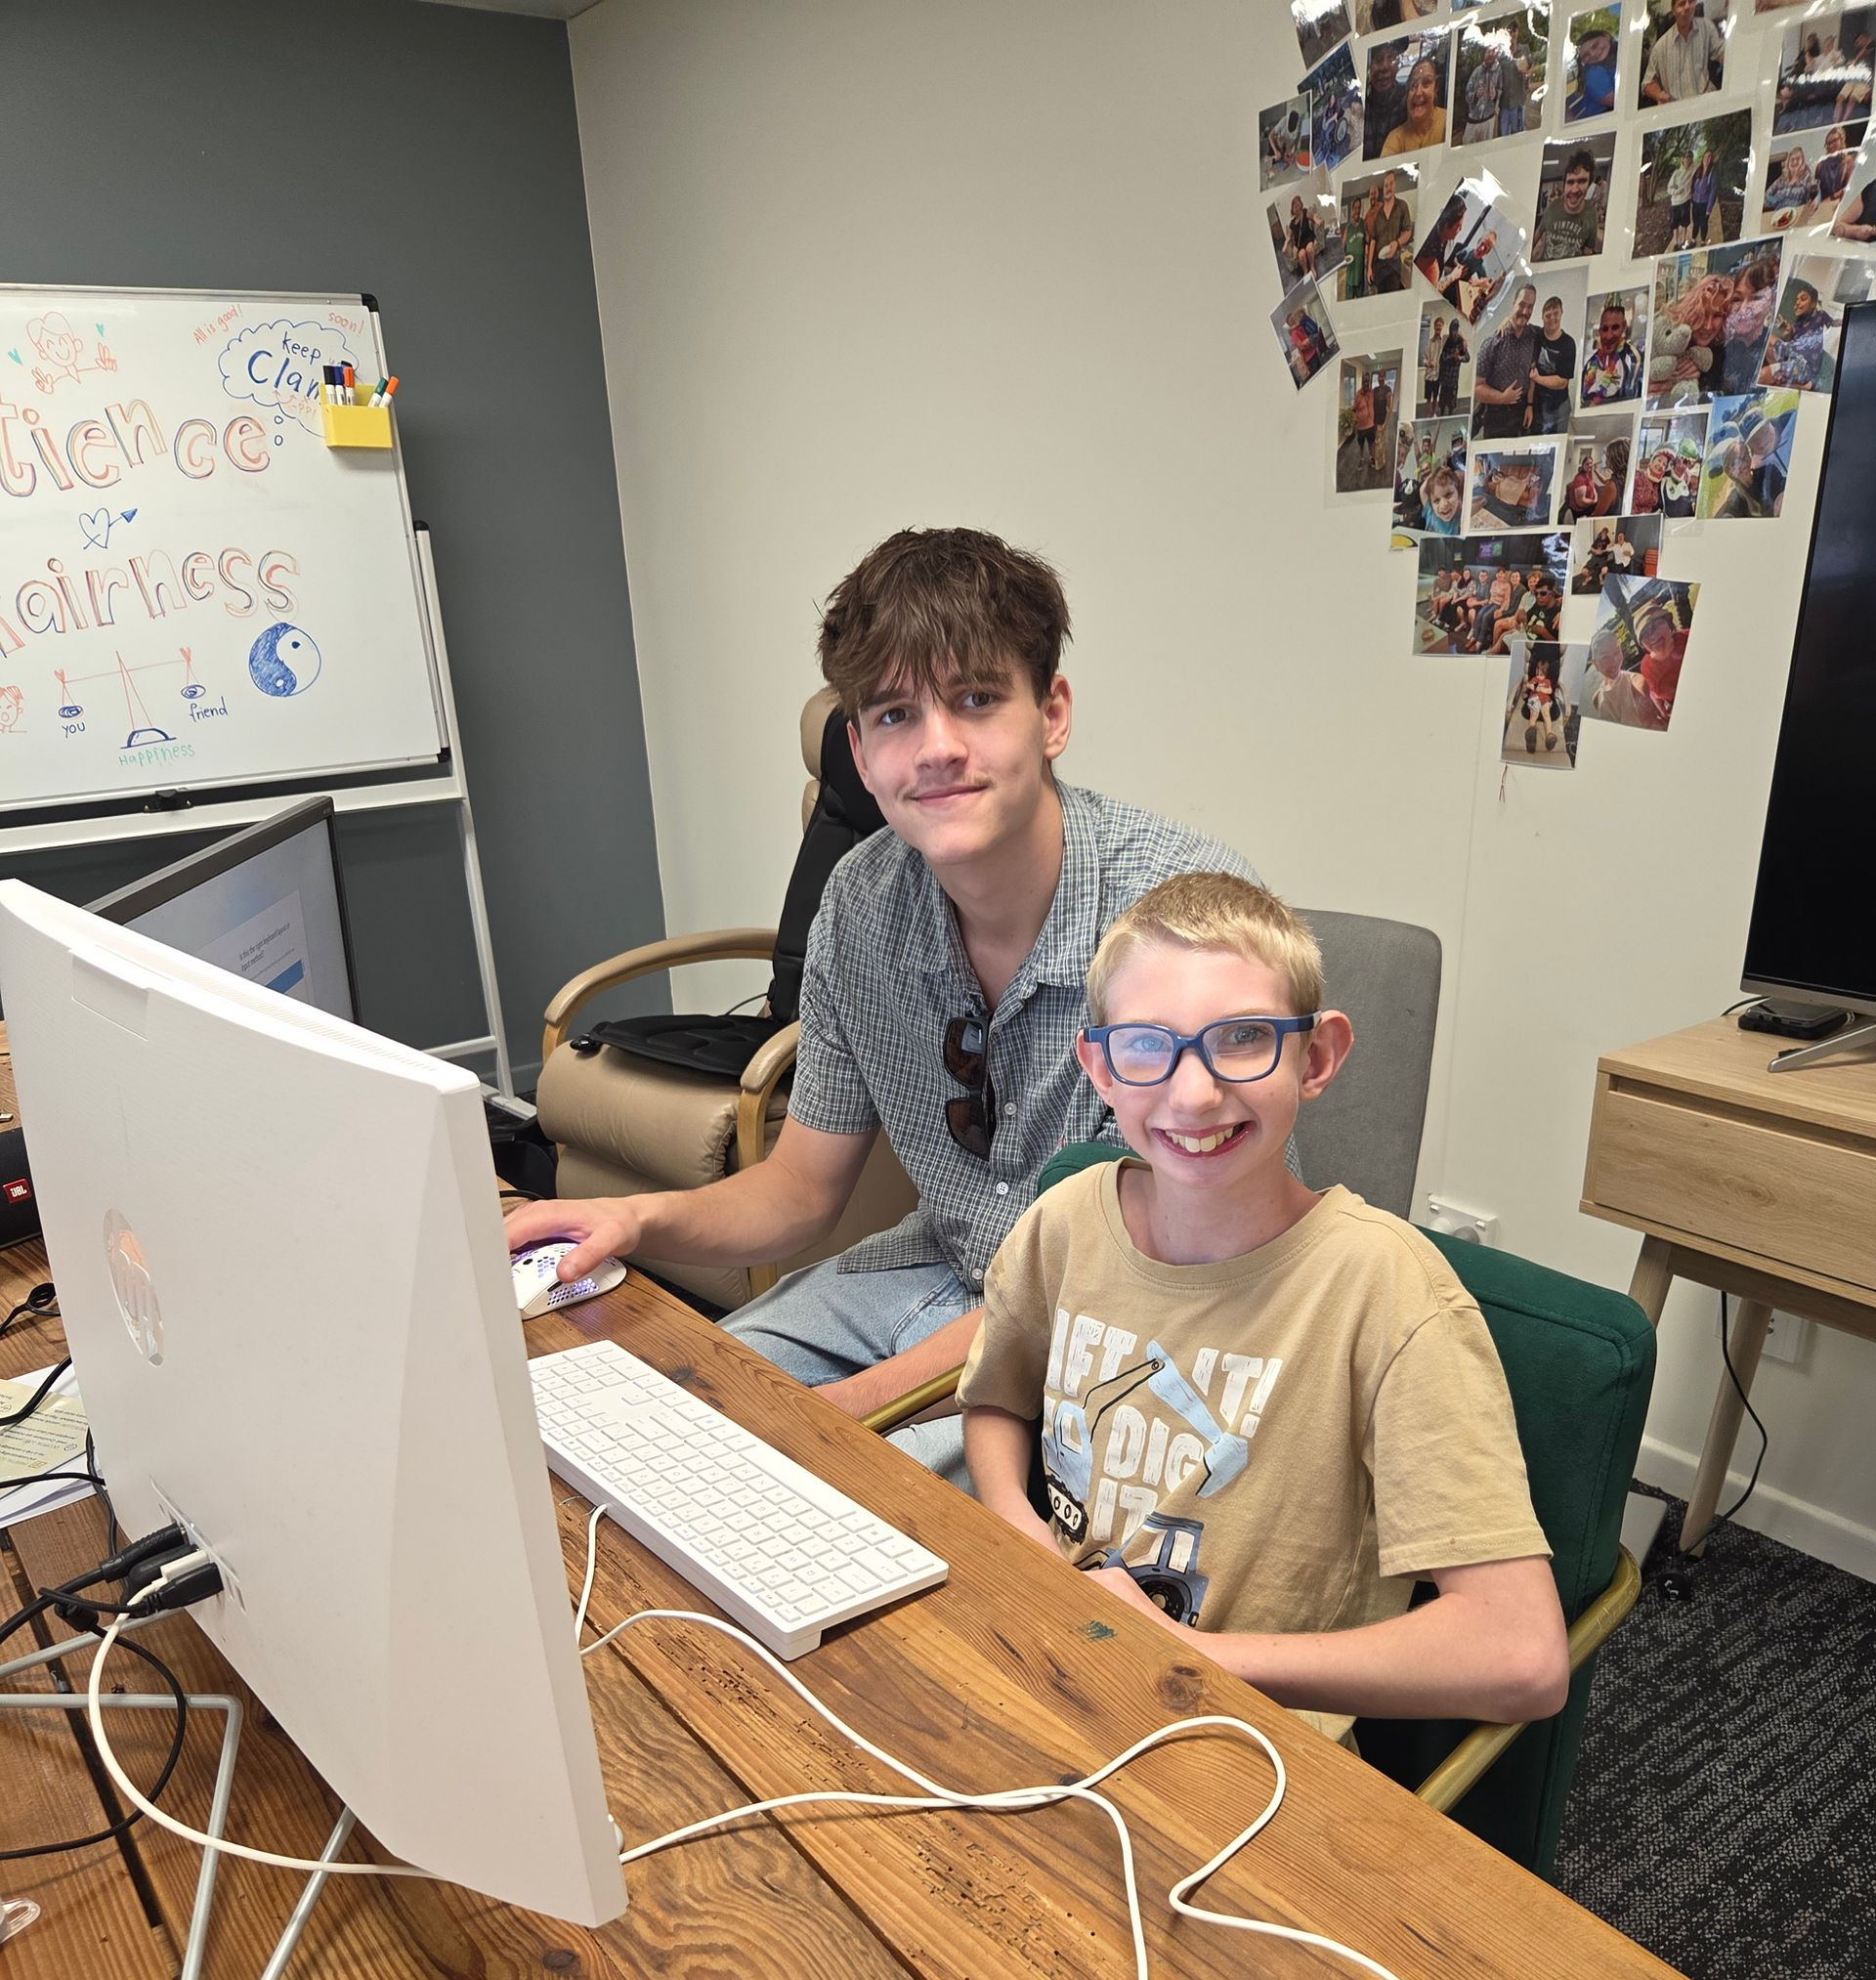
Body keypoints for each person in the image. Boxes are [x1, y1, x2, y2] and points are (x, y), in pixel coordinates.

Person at [504, 529, 1260, 1480]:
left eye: (977, 699)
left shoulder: (1183, 924)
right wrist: (639, 1222)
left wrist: (832, 1421)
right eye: (897, 714)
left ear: (1052, 713)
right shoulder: (861, 905)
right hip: (931, 1274)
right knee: (649, 1422)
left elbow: (1116, 1280)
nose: (938, 747)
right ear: (860, 754)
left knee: (801, 1486)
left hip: (1127, 1330)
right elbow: (799, 1191)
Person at [958, 874, 1567, 1744]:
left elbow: (1521, 1654)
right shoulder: (1065, 1224)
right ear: (1098, 1065)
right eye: (1145, 1045)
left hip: (1245, 1742)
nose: (1195, 1093)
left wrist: (1191, 1654)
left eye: (1242, 1039)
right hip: (1057, 1666)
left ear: (1315, 1058)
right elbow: (995, 1399)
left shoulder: (1388, 1296)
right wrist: (1018, 1535)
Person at [1471, 282, 1538, 438]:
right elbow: (1476, 387)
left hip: (1522, 416)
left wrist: (1529, 405)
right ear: (1513, 304)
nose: (1525, 311)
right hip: (1496, 418)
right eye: (1521, 304)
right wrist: (1502, 398)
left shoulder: (1533, 337)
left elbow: (1532, 374)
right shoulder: (1493, 343)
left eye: (1530, 306)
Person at [1641, 0, 1724, 107]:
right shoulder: (1660, 47)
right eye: (1682, 4)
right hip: (1678, 106)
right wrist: (1658, 94)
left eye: (1691, 1)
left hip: (1707, 99)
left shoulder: (1706, 27)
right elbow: (1647, 83)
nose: (1687, 7)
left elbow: (1721, 50)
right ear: (1674, 11)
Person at [1534, 150, 1604, 261]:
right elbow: (1536, 236)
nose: (1575, 189)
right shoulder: (1553, 207)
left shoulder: (1591, 214)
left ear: (1589, 184)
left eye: (1581, 181)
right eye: (1570, 182)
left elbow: (1588, 252)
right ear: (1564, 185)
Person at [1528, 293, 1577, 434]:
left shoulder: (1568, 343)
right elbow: (1518, 323)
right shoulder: (1536, 335)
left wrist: (1537, 378)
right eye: (1548, 315)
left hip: (1559, 407)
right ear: (1542, 317)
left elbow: (1562, 382)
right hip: (1538, 405)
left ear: (1561, 313)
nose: (1552, 318)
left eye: (1555, 313)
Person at [1580, 296, 1642, 405]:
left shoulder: (1633, 358)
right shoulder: (1590, 363)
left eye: (1615, 328)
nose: (1609, 336)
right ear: (1599, 331)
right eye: (1604, 329)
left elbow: (1633, 402)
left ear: (1623, 327)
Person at [1381, 54, 1447, 154]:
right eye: (1413, 85)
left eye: (1426, 83)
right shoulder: (1396, 138)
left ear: (1436, 89)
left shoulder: (1447, 120)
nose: (1418, 92)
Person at [1366, 170, 1414, 293]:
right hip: (1379, 268)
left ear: (1395, 186)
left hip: (1394, 266)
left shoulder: (1402, 206)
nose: (1388, 188)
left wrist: (1397, 243)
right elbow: (1373, 240)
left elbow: (1407, 231)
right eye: (1386, 185)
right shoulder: (1378, 214)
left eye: (1391, 184)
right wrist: (1369, 267)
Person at [1514, 654, 1563, 753]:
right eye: (1537, 673)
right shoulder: (1534, 679)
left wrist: (1542, 689)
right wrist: (1531, 686)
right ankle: (1531, 732)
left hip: (1545, 699)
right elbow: (1527, 684)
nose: (1538, 676)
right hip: (1534, 699)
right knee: (1534, 713)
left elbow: (1550, 691)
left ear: (1545, 674)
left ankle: (1549, 735)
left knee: (1546, 714)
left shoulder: (1547, 681)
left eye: (1541, 674)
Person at [1568, 24, 1617, 119]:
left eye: (1595, 45)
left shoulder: (1614, 59)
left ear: (1606, 36)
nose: (1593, 54)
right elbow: (1613, 101)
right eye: (1586, 55)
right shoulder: (1593, 72)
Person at [1765, 142, 1819, 226]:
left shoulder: (1806, 177)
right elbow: (1767, 194)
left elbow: (1817, 190)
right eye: (1792, 159)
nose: (1794, 162)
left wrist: (1816, 200)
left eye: (1798, 159)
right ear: (1788, 162)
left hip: (1798, 216)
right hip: (1779, 216)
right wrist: (1776, 202)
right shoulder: (1781, 179)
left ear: (1802, 161)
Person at [1462, 39, 1504, 144]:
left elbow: (1501, 90)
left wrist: (1496, 95)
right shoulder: (1476, 72)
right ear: (1484, 54)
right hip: (1473, 120)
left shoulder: (1498, 71)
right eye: (1488, 51)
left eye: (1492, 51)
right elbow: (1467, 94)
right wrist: (1475, 95)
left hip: (1489, 120)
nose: (1490, 54)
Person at [1662, 150, 1696, 250]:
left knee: (1685, 224)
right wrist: (1676, 191)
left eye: (1690, 158)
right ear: (1683, 159)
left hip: (1686, 201)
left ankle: (1683, 242)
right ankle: (1676, 243)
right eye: (1686, 158)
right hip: (1675, 203)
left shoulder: (1693, 170)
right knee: (1675, 225)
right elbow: (1669, 188)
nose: (1688, 160)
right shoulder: (1676, 173)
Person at [1815, 123, 1855, 206]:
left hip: (1840, 204)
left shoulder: (1848, 160)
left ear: (1842, 139)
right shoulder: (1820, 165)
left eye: (1834, 141)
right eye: (1828, 143)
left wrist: (1829, 199)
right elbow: (1816, 189)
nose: (1831, 145)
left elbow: (1849, 187)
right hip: (1822, 206)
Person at [1437, 317, 1470, 413]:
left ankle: (1450, 414)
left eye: (1456, 330)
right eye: (1452, 330)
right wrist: (1451, 356)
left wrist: (1459, 358)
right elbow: (1442, 358)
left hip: (1454, 379)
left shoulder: (1461, 343)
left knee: (1451, 404)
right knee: (1442, 403)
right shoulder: (1447, 342)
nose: (1454, 332)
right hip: (1445, 378)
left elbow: (1467, 358)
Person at [1421, 462, 1465, 534]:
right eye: (1436, 500)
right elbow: (1422, 490)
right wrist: (1434, 474)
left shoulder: (1461, 514)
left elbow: (1462, 475)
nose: (1444, 504)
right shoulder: (1430, 511)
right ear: (1431, 504)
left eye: (1448, 495)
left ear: (1459, 495)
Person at [1343, 190, 1369, 300]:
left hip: (1360, 265)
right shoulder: (1348, 227)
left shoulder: (1363, 223)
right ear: (1352, 209)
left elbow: (1367, 239)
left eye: (1359, 207)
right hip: (1351, 267)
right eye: (1355, 208)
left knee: (1360, 296)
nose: (1357, 210)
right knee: (1349, 297)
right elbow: (1343, 245)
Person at [1689, 148, 1719, 243]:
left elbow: (1713, 191)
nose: (1707, 158)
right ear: (1703, 158)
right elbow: (1693, 184)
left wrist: (1709, 208)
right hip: (1695, 202)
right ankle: (1693, 240)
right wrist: (1691, 197)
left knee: (1704, 223)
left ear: (1711, 159)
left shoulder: (1712, 172)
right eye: (1705, 156)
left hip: (1704, 204)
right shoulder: (1699, 169)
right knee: (1695, 223)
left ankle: (1702, 241)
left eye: (1709, 157)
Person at [1350, 370, 1377, 473]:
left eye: (1368, 381)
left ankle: (1371, 458)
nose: (1366, 383)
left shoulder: (1371, 393)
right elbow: (1354, 408)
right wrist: (1355, 421)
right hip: (1361, 427)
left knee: (1371, 444)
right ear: (1362, 382)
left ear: (1369, 382)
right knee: (1361, 445)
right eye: (1364, 381)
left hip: (1370, 426)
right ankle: (1361, 459)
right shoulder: (1358, 394)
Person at [1289, 195, 1320, 278]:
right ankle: (1306, 271)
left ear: (1301, 205)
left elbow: (1313, 216)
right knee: (1301, 255)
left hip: (1308, 237)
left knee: (1309, 249)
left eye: (1298, 205)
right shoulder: (1292, 223)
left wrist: (1317, 220)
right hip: (1300, 244)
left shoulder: (1305, 212)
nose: (1297, 207)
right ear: (1292, 209)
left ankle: (1312, 267)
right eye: (1294, 206)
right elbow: (1289, 236)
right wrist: (1285, 245)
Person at [1369, 368, 1393, 472]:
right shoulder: (1375, 390)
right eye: (1379, 377)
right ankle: (1375, 459)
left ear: (1385, 377)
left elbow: (1389, 408)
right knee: (1375, 442)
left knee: (1380, 442)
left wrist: (1385, 423)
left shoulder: (1388, 390)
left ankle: (1380, 463)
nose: (1381, 379)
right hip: (1374, 420)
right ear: (1378, 378)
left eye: (1383, 377)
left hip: (1382, 420)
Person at [1422, 312, 1445, 410]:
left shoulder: (1444, 341)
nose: (1438, 327)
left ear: (1442, 327)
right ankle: (1428, 416)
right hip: (1428, 376)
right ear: (1434, 327)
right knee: (1428, 398)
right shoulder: (1429, 343)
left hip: (1438, 376)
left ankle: (1433, 414)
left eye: (1440, 325)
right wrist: (1428, 363)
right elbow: (1423, 359)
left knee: (1435, 397)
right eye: (1437, 325)